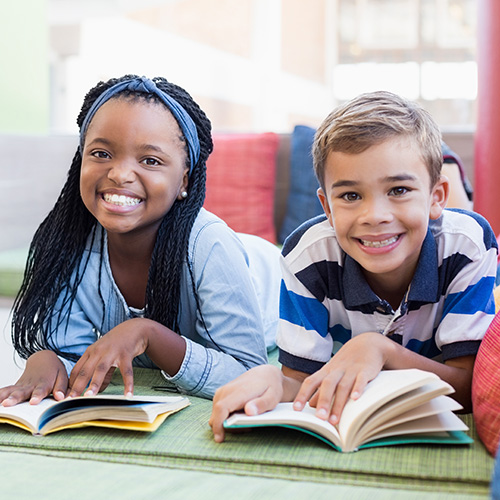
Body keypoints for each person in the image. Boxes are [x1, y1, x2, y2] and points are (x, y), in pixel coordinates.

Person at [209, 91, 497, 442]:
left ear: (437, 197)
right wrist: (273, 381)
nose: (375, 216)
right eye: (350, 196)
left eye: (399, 190)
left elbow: (470, 390)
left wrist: (380, 349)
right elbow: (301, 380)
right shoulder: (307, 257)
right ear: (327, 207)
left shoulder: (466, 245)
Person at [0, 74, 281, 406]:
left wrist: (148, 334)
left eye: (150, 160)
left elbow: (247, 373)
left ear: (184, 181)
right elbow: (69, 348)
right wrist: (47, 360)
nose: (119, 174)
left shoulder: (211, 245)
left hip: (268, 276)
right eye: (102, 154)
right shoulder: (70, 243)